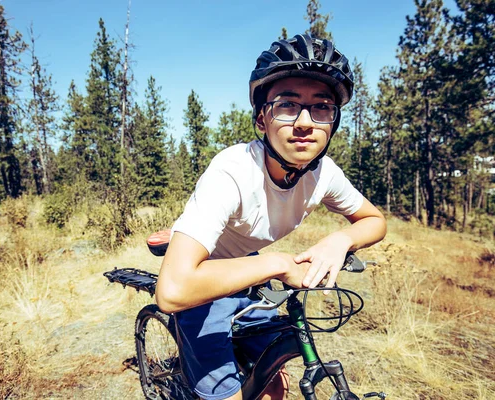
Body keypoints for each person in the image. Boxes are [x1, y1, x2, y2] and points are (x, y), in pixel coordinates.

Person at [156, 34, 387, 400]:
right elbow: (172, 291)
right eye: (288, 105)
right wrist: (279, 263)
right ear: (262, 119)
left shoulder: (323, 173)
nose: (305, 122)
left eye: (322, 107)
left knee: (273, 385)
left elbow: (374, 220)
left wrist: (340, 239)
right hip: (204, 274)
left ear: (333, 122)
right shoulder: (232, 171)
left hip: (246, 267)